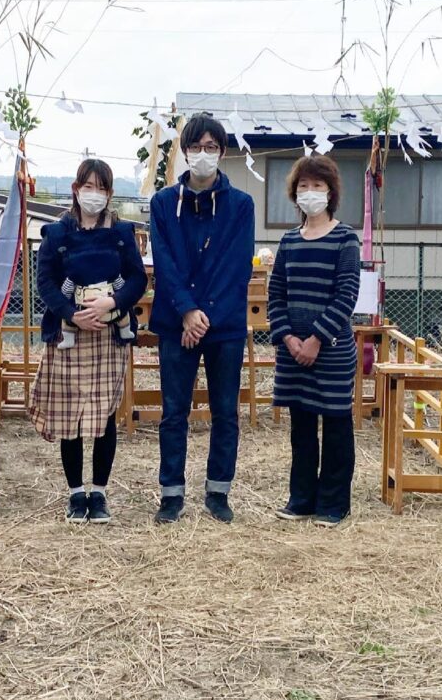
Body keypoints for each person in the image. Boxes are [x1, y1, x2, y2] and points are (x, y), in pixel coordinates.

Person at [149, 112, 255, 524]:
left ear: (222, 153)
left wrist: (204, 315)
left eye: (212, 148)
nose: (204, 155)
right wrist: (187, 311)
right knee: (174, 411)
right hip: (176, 323)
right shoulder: (162, 204)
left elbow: (235, 266)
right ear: (185, 151)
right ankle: (171, 494)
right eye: (196, 147)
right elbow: (166, 263)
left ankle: (218, 491)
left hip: (223, 325)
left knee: (225, 411)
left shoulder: (241, 205)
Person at [29, 159, 147, 523]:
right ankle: (75, 493)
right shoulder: (57, 233)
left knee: (103, 414)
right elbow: (45, 282)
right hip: (69, 333)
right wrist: (70, 313)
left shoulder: (122, 233)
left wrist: (114, 302)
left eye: (101, 187)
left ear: (109, 193)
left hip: (109, 334)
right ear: (75, 189)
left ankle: (100, 493)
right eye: (88, 186)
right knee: (70, 417)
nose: (93, 193)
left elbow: (138, 279)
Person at [267, 155, 360, 527]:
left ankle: (334, 503)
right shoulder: (289, 240)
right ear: (294, 193)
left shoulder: (345, 237)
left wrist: (317, 339)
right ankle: (301, 498)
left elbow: (346, 293)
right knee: (301, 427)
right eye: (303, 186)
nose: (310, 193)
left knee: (336, 425)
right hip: (292, 353)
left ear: (331, 192)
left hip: (332, 352)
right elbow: (276, 294)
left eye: (317, 186)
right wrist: (288, 337)